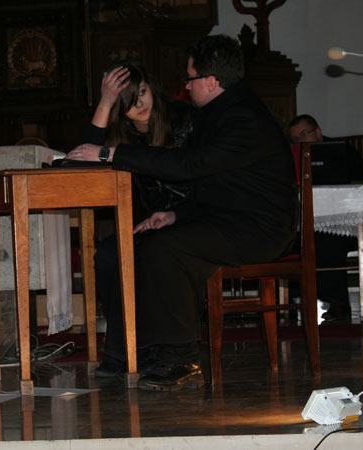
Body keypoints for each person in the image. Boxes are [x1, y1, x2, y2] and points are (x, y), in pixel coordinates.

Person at [66, 34, 297, 391]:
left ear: (211, 81)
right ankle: (131, 351)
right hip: (226, 219)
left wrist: (111, 154)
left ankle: (179, 358)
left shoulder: (241, 117)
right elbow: (213, 186)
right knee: (116, 251)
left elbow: (190, 166)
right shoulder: (222, 111)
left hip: (261, 229)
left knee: (165, 248)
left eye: (190, 79)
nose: (185, 86)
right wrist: (176, 215)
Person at [82, 60, 196, 378]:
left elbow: (188, 171)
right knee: (109, 254)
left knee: (155, 252)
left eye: (142, 92)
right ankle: (123, 352)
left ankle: (165, 353)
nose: (140, 104)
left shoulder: (183, 119)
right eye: (128, 101)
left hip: (194, 214)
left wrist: (175, 215)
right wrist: (105, 102)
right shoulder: (124, 136)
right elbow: (86, 167)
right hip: (154, 222)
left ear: (151, 87)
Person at [288, 114, 363, 322]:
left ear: (318, 132)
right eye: (295, 139)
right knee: (293, 241)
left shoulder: (344, 153)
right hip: (310, 228)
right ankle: (291, 301)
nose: (300, 141)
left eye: (304, 134)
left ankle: (338, 303)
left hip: (350, 227)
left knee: (327, 239)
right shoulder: (293, 158)